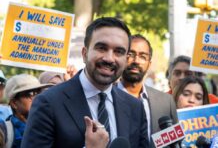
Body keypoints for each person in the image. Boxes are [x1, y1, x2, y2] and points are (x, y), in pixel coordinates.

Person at [21, 17, 149, 148]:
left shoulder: (135, 108)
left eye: (119, 52)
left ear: (126, 59)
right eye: (101, 48)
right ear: (84, 53)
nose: (109, 58)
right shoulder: (48, 103)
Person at [117, 34, 178, 147]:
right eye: (130, 54)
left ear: (149, 64)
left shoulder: (166, 102)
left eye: (143, 56)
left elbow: (174, 144)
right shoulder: (105, 97)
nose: (136, 61)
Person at [0, 74, 51, 148]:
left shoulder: (48, 126)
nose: (37, 98)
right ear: (14, 103)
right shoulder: (3, 131)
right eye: (31, 94)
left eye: (39, 93)